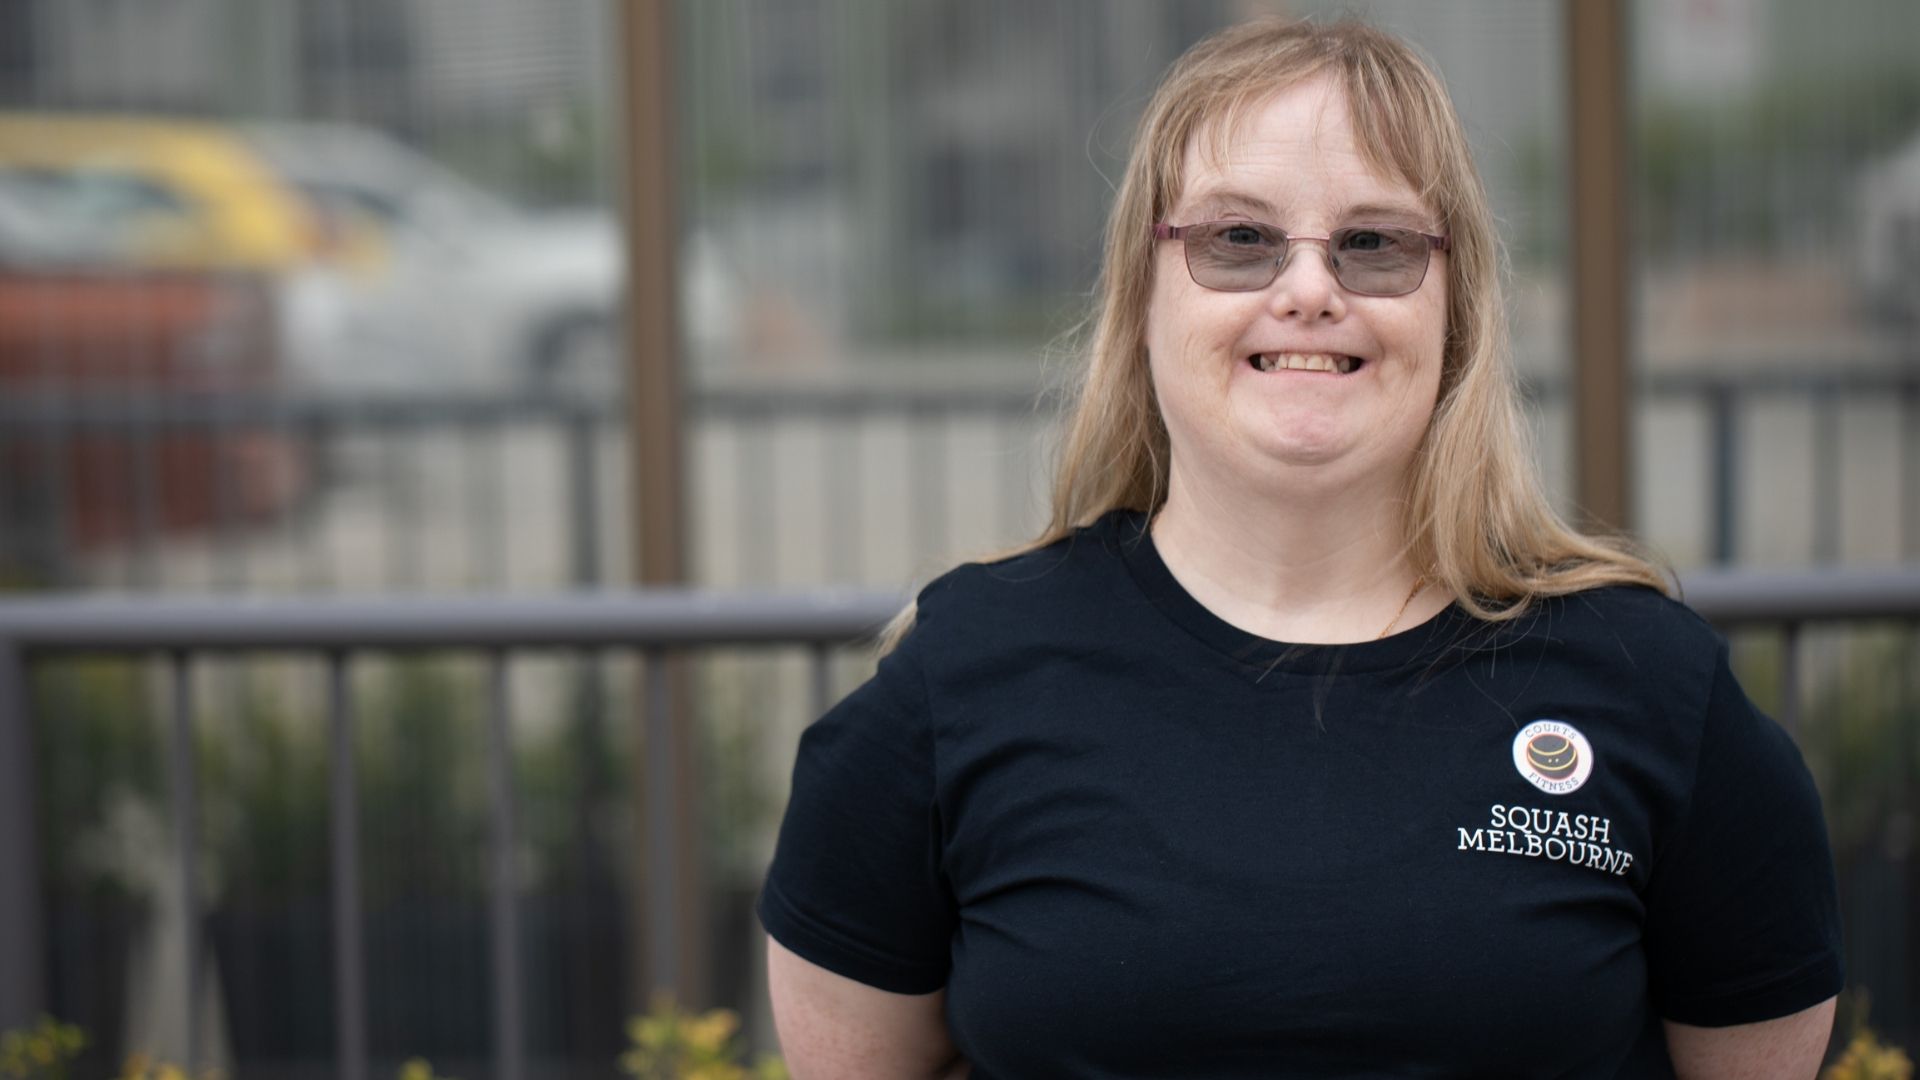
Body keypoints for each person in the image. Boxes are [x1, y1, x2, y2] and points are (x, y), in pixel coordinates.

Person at [756, 17, 1843, 1079]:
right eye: (1239, 239)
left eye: (1374, 244)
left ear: (1455, 309)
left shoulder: (1651, 684)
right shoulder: (964, 674)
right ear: (1141, 295)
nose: (1310, 290)